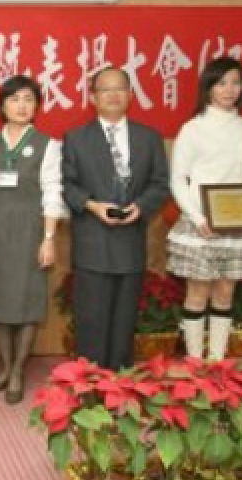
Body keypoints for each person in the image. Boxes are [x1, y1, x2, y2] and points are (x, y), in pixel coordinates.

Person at [61, 67, 169, 371]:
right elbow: (67, 185)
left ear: (131, 95)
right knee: (91, 319)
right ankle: (90, 381)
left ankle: (121, 382)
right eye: (105, 89)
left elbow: (160, 184)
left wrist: (141, 207)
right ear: (93, 97)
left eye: (119, 88)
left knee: (124, 320)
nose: (113, 95)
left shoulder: (149, 138)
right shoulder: (76, 139)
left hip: (130, 240)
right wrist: (92, 205)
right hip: (93, 240)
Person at [0, 75, 68, 404]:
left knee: (26, 302)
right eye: (14, 99)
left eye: (28, 99)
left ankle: (17, 371)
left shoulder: (48, 145)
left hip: (29, 230)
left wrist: (49, 238)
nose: (22, 106)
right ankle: (5, 366)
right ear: (2, 106)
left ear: (37, 105)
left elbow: (52, 193)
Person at [167, 57, 242, 361]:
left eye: (236, 83)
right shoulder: (192, 129)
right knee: (198, 292)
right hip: (201, 225)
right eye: (221, 83)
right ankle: (195, 363)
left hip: (238, 224)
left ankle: (217, 363)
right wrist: (198, 218)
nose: (229, 90)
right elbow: (177, 180)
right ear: (208, 87)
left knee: (225, 293)